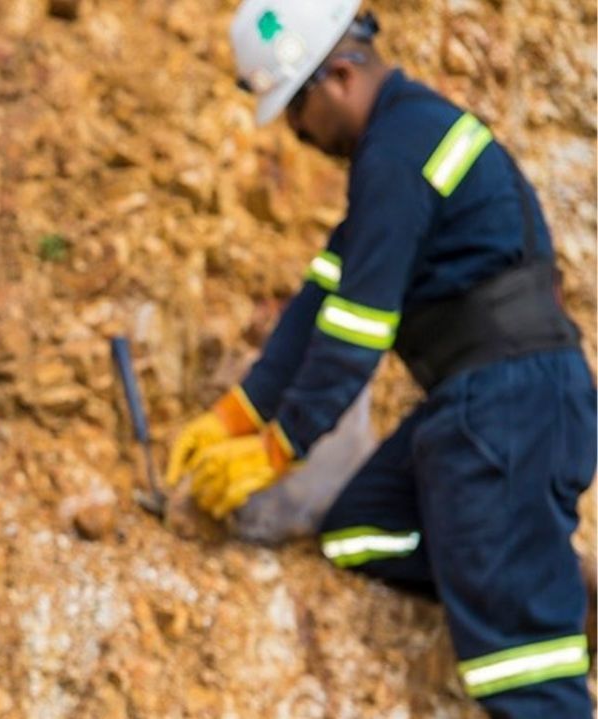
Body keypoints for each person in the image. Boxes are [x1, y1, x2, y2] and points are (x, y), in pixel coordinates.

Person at [164, 2, 596, 716]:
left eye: (295, 113)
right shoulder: (402, 145)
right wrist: (238, 412)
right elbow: (321, 302)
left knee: (524, 678)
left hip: (506, 403)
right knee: (360, 526)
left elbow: (358, 329)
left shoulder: (397, 153)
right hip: (480, 405)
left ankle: (531, 584)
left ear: (336, 74)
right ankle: (543, 575)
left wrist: (281, 445)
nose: (299, 136)